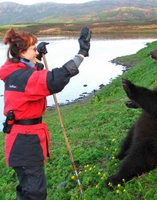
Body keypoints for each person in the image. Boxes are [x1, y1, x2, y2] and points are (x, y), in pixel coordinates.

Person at [0, 27, 91, 200]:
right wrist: (81, 54)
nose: (36, 52)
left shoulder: (15, 71)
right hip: (25, 143)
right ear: (22, 52)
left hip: (22, 140)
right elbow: (54, 79)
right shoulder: (23, 77)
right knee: (34, 193)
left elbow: (33, 74)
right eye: (33, 49)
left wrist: (38, 57)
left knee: (29, 189)